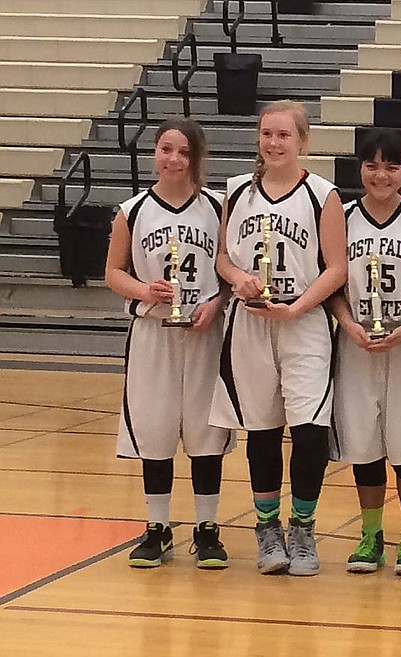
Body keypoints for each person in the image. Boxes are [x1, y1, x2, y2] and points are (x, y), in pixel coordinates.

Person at [210, 100, 347, 576]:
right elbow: (223, 259)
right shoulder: (237, 192)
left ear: (303, 142)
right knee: (262, 430)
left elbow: (337, 268)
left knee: (310, 431)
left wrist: (300, 307)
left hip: (304, 324)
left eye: (284, 135)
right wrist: (239, 276)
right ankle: (267, 531)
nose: (273, 142)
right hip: (250, 324)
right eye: (267, 133)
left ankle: (303, 529)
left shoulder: (322, 195)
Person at [106, 117, 231, 569]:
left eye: (182, 151)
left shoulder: (218, 208)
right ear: (154, 153)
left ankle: (207, 528)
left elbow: (230, 272)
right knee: (155, 428)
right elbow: (113, 273)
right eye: (165, 149)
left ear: (196, 158)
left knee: (205, 432)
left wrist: (216, 302)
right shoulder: (132, 210)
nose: (173, 158)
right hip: (152, 332)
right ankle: (157, 528)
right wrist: (144, 291)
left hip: (204, 333)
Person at [327, 128, 401, 574]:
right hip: (356, 343)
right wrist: (347, 324)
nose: (381, 175)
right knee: (364, 443)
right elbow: (330, 282)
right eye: (372, 165)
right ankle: (370, 535)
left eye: (391, 166)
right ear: (360, 169)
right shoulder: (342, 217)